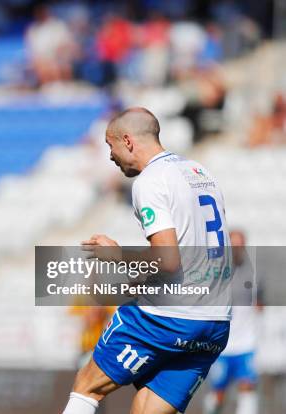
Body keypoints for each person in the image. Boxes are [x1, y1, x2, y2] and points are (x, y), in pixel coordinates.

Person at [62, 107, 231, 414]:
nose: (110, 156)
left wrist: (116, 256)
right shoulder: (199, 171)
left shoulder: (151, 180)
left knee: (87, 386)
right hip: (216, 319)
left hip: (169, 316)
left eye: (110, 145)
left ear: (127, 141)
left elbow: (168, 260)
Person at [204, 230, 260, 414]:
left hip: (246, 343)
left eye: (240, 245)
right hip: (223, 345)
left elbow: (260, 303)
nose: (237, 249)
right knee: (218, 392)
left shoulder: (254, 274)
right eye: (233, 245)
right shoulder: (216, 274)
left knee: (247, 387)